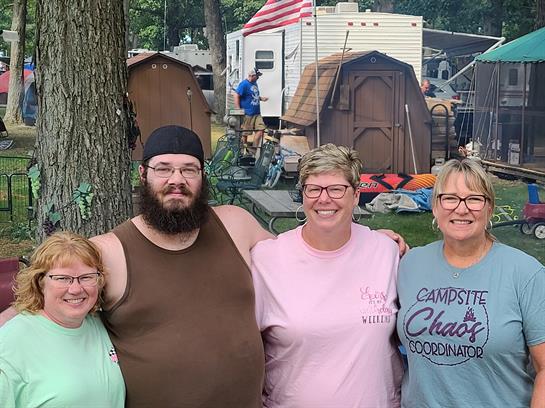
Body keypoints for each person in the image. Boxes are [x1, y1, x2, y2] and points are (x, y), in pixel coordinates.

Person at [0, 125, 407, 407]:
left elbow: (307, 254)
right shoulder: (111, 250)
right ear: (143, 174)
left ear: (202, 176)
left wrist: (370, 241)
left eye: (188, 170)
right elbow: (41, 297)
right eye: (163, 169)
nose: (176, 179)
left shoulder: (235, 225)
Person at [251, 143, 404, 407]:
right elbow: (241, 346)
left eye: (336, 189)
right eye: (313, 189)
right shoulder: (267, 259)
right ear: (302, 195)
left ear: (356, 195)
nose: (324, 199)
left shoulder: (386, 252)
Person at [396, 158, 545, 407]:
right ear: (435, 206)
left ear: (489, 208)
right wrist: (377, 238)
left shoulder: (525, 273)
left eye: (474, 199)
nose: (461, 209)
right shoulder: (410, 264)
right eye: (450, 198)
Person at [0, 232, 125, 407]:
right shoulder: (10, 344)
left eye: (86, 277)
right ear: (40, 282)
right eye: (62, 278)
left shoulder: (99, 325)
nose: (75, 289)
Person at [234, 68, 269, 151]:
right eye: (257, 76)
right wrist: (238, 109)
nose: (258, 78)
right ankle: (243, 151)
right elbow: (236, 95)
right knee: (245, 133)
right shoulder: (244, 84)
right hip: (247, 113)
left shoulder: (255, 83)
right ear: (252, 76)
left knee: (261, 130)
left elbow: (253, 95)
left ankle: (253, 150)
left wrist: (261, 98)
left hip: (257, 113)